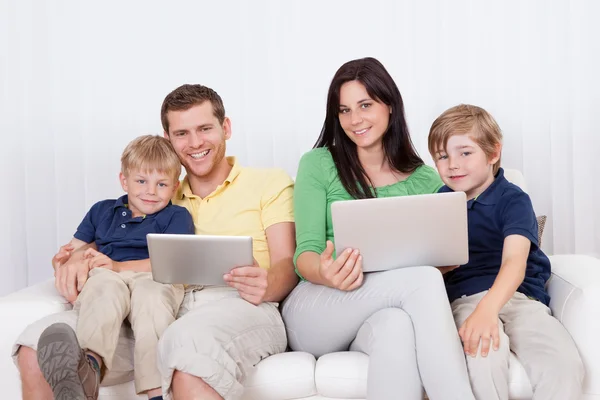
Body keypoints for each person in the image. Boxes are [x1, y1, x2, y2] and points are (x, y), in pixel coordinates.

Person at [281, 57, 476, 400]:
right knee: (424, 279)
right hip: (317, 307)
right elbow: (305, 252)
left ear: (389, 105)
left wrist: (445, 261)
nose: (354, 120)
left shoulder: (427, 179)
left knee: (396, 328)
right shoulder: (317, 164)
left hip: (384, 309)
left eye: (365, 105)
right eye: (344, 110)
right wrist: (326, 272)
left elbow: (445, 253)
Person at [427, 104, 584, 400]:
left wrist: (489, 309)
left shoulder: (513, 199)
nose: (452, 165)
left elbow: (515, 261)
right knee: (484, 355)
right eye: (443, 156)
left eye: (465, 152)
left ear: (493, 153)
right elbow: (433, 263)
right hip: (466, 299)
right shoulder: (441, 201)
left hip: (520, 297)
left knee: (562, 363)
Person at [155, 84, 297, 400]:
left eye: (205, 129)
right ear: (168, 139)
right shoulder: (159, 194)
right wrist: (82, 253)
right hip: (169, 305)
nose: (195, 143)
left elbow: (287, 263)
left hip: (248, 306)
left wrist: (268, 284)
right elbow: (116, 233)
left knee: (189, 345)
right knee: (36, 344)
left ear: (226, 128)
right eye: (181, 134)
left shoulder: (269, 182)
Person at [27, 135, 195, 400]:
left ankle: (156, 393)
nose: (151, 191)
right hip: (106, 274)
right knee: (103, 288)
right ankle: (89, 370)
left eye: (161, 184)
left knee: (152, 300)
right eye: (141, 181)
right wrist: (61, 261)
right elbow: (74, 251)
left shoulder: (176, 216)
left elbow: (171, 263)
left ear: (175, 186)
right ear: (124, 181)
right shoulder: (102, 211)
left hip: (152, 275)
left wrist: (118, 266)